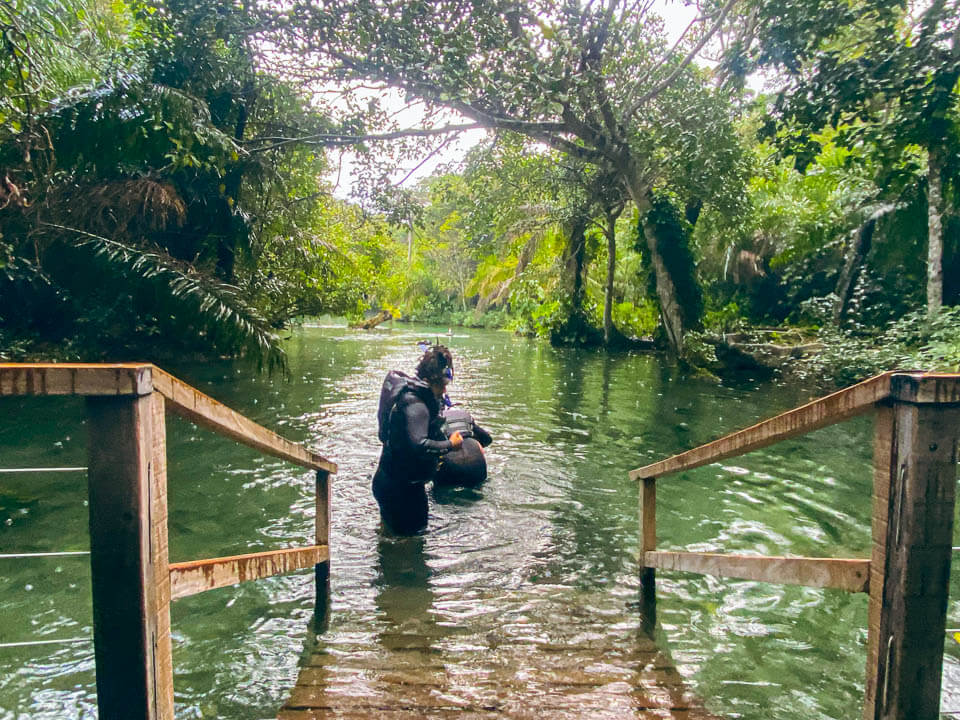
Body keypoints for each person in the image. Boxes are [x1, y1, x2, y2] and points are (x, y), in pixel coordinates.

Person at [373, 345, 463, 535]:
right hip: (399, 490)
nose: (444, 390)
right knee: (410, 545)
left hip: (396, 482)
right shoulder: (415, 404)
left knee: (391, 538)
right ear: (429, 380)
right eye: (442, 385)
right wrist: (450, 445)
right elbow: (419, 445)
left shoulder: (412, 396)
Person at [435, 406, 493, 487]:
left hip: (449, 467)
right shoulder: (465, 416)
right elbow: (487, 439)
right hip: (476, 465)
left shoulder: (430, 419)